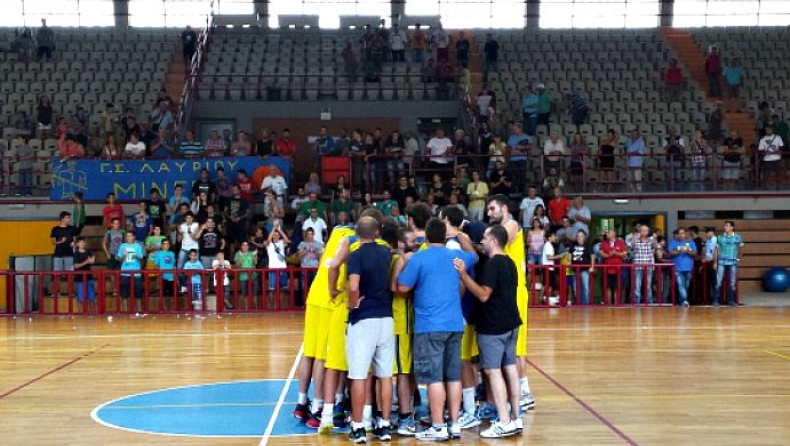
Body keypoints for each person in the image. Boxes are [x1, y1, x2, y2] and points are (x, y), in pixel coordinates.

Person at [397, 218, 477, 441]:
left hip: (429, 327)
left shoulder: (420, 258)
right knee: (453, 377)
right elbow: (475, 256)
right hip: (454, 324)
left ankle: (438, 425)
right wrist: (462, 237)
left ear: (426, 237)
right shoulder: (456, 257)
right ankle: (454, 424)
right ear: (445, 236)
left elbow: (402, 286)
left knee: (434, 379)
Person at [454, 225, 523, 438]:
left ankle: (503, 420)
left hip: (494, 327)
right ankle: (515, 417)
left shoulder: (492, 265)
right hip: (511, 324)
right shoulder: (510, 262)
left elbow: (484, 295)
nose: (482, 241)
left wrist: (464, 275)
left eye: (484, 238)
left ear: (493, 240)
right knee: (510, 369)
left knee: (493, 371)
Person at [344, 217, 395, 443]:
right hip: (386, 317)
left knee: (358, 376)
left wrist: (353, 303)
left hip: (364, 319)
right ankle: (384, 425)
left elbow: (354, 286)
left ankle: (358, 427)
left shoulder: (355, 255)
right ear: (377, 233)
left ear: (357, 233)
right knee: (385, 376)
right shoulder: (387, 254)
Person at [486, 195, 535, 411]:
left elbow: (504, 236)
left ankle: (525, 392)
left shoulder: (512, 224)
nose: (489, 213)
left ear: (504, 208)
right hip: (506, 291)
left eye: (492, 208)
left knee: (518, 349)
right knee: (510, 349)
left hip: (516, 291)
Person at [713, 221, 743, 307]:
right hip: (721, 262)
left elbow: (741, 248)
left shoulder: (737, 237)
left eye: (727, 226)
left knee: (732, 282)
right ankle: (716, 300)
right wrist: (715, 262)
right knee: (718, 281)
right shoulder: (720, 237)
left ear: (732, 227)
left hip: (733, 262)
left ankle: (731, 300)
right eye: (725, 226)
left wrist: (738, 258)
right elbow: (716, 250)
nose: (725, 227)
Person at [50, 211, 77, 297]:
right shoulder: (55, 229)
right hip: (58, 254)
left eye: (69, 218)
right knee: (57, 274)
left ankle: (70, 292)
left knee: (70, 274)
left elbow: (75, 239)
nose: (69, 219)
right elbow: (53, 242)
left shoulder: (72, 228)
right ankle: (56, 292)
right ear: (62, 219)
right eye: (67, 218)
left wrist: (74, 243)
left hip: (69, 254)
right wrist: (61, 241)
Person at [118, 231, 145, 314]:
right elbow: (119, 259)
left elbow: (142, 259)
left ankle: (139, 311)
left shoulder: (138, 246)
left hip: (136, 272)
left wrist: (136, 256)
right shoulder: (122, 246)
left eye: (130, 236)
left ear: (134, 237)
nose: (128, 238)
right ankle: (125, 311)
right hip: (125, 272)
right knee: (124, 293)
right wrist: (124, 255)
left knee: (139, 292)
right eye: (127, 236)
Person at [669, 227, 696, 307]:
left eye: (683, 233)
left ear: (685, 234)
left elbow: (695, 253)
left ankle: (682, 301)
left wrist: (687, 250)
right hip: (677, 268)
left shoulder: (691, 242)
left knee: (686, 286)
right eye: (680, 233)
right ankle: (684, 300)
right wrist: (680, 251)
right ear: (677, 235)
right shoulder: (673, 243)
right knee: (681, 285)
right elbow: (670, 253)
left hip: (689, 268)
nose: (681, 235)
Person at [599, 229, 628, 305]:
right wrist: (609, 255)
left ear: (614, 234)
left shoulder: (620, 243)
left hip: (618, 270)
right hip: (607, 270)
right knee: (607, 287)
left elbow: (624, 254)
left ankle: (616, 304)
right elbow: (601, 253)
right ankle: (609, 304)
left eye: (609, 232)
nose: (607, 234)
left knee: (617, 287)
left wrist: (616, 253)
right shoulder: (603, 243)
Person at [568, 230, 595, 305]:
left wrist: (592, 266)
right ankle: (578, 303)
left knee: (585, 287)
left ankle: (585, 305)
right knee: (575, 288)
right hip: (575, 270)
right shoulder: (573, 244)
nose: (579, 238)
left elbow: (592, 256)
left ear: (584, 237)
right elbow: (570, 254)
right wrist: (569, 261)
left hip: (585, 269)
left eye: (581, 236)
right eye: (578, 236)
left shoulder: (588, 245)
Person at [72, 237, 96, 313]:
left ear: (85, 243)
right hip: (80, 278)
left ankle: (92, 313)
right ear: (77, 244)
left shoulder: (89, 251)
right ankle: (81, 313)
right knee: (80, 297)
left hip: (89, 277)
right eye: (80, 242)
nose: (82, 244)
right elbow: (76, 266)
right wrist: (86, 261)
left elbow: (92, 261)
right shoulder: (76, 254)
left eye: (83, 242)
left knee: (91, 296)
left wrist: (90, 260)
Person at [758, 124, 784, 189]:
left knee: (778, 172)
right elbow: (760, 149)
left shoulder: (778, 137)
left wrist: (779, 152)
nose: (768, 131)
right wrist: (766, 152)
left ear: (772, 130)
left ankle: (778, 185)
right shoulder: (763, 139)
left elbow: (781, 146)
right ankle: (765, 185)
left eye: (769, 129)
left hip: (777, 158)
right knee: (766, 173)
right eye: (766, 130)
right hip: (767, 159)